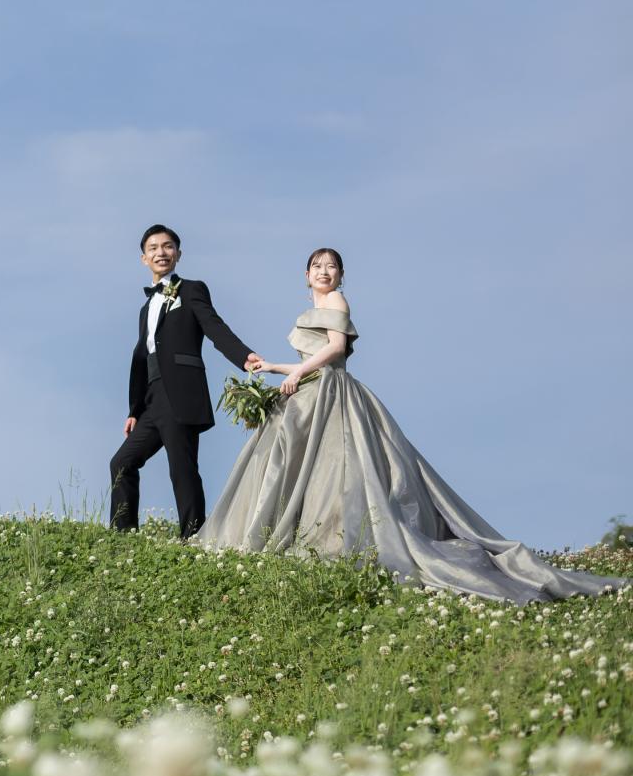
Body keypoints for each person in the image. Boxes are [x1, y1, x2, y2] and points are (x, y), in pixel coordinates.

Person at [194, 248, 624, 603]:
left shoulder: (337, 302)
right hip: (310, 389)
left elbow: (336, 349)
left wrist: (299, 372)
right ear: (305, 275)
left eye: (332, 266)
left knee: (344, 467)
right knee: (297, 464)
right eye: (317, 266)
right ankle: (297, 531)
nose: (324, 272)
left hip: (333, 392)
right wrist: (274, 368)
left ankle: (340, 537)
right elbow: (311, 360)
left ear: (340, 275)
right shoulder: (312, 308)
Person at [109, 225, 262, 538]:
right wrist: (135, 410)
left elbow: (214, 327)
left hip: (179, 393)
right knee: (121, 462)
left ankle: (193, 536)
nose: (161, 252)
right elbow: (142, 356)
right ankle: (122, 536)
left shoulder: (191, 290)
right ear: (144, 258)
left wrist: (243, 356)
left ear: (178, 254)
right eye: (153, 248)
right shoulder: (145, 308)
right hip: (151, 401)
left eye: (167, 246)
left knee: (182, 467)